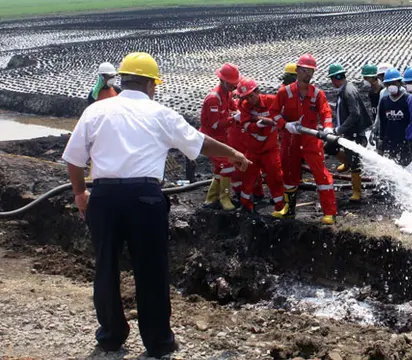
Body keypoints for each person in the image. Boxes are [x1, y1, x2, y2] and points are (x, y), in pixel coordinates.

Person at [62, 52, 250, 359]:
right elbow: (199, 142)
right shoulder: (161, 114)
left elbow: (73, 158)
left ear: (123, 80)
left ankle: (111, 337)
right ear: (151, 84)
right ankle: (158, 342)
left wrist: (80, 193)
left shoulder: (97, 111)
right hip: (145, 199)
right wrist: (234, 154)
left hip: (105, 197)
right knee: (151, 271)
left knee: (105, 268)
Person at [269, 54, 337, 225]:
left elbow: (326, 112)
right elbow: (273, 112)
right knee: (289, 173)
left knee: (320, 174)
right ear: (298, 71)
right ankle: (289, 211)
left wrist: (328, 127)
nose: (308, 74)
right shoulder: (285, 92)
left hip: (311, 139)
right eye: (305, 70)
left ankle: (329, 212)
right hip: (290, 139)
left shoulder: (317, 94)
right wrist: (285, 125)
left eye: (311, 71)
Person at [235, 78, 286, 214]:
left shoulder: (271, 100)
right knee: (248, 177)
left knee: (275, 177)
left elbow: (283, 115)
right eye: (246, 97)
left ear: (258, 91)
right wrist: (257, 125)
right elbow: (245, 124)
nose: (249, 100)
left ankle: (280, 206)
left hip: (270, 149)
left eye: (251, 96)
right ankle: (246, 205)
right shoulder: (244, 105)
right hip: (252, 150)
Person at [323, 63, 373, 202]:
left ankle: (357, 192)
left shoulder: (348, 91)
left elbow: (355, 114)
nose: (331, 82)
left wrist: (339, 130)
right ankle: (347, 162)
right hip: (347, 131)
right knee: (329, 147)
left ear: (336, 77)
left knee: (355, 161)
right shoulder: (343, 90)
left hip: (355, 133)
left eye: (332, 79)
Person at [199, 63, 241, 210]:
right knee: (227, 165)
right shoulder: (213, 99)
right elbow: (215, 124)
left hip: (220, 137)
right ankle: (225, 198)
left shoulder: (227, 94)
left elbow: (233, 107)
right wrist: (233, 119)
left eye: (234, 85)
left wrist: (237, 111)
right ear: (222, 81)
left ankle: (210, 199)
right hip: (210, 139)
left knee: (220, 168)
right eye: (231, 84)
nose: (233, 88)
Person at [377, 68, 412, 167]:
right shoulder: (384, 101)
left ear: (400, 83)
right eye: (388, 84)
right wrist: (381, 139)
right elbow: (383, 122)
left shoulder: (408, 99)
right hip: (389, 140)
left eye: (393, 83)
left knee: (404, 165)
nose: (391, 86)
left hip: (404, 140)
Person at [369, 62, 393, 153]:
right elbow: (379, 114)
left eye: (384, 75)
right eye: (380, 76)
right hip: (383, 132)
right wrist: (374, 130)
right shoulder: (382, 93)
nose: (383, 79)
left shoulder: (403, 93)